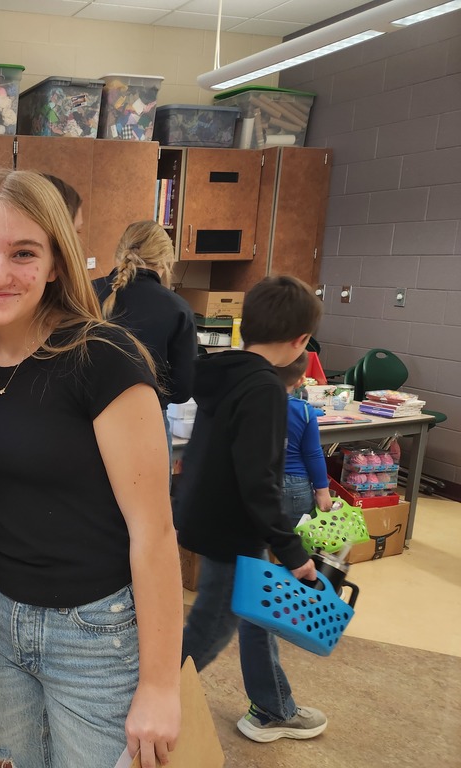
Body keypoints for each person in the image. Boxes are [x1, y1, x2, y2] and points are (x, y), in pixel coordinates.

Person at [0, 168, 182, 768]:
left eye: (24, 253)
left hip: (95, 633)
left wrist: (161, 685)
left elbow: (155, 534)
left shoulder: (103, 360)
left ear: (57, 263)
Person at [175, 275, 327, 744]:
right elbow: (259, 482)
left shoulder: (225, 370)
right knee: (210, 628)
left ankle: (273, 706)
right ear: (301, 340)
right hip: (232, 529)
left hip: (206, 515)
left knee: (260, 610)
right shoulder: (265, 389)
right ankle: (135, 700)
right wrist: (292, 548)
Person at [92, 220, 197, 459]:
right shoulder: (177, 308)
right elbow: (182, 389)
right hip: (147, 424)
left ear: (119, 253)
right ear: (165, 261)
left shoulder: (84, 295)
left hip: (87, 423)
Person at [276, 350, 334, 529]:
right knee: (299, 542)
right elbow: (313, 454)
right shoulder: (304, 410)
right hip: (296, 486)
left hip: (260, 480)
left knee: (259, 543)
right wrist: (322, 491)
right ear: (301, 380)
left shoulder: (254, 402)